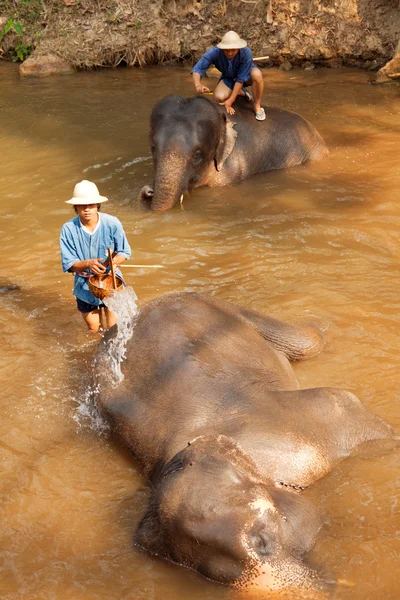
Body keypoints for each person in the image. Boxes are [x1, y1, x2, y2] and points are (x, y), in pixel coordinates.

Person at [60, 180, 131, 333]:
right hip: (84, 285)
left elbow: (124, 251)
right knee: (94, 329)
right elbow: (69, 263)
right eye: (82, 205)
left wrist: (113, 263)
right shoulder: (68, 229)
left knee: (114, 329)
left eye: (91, 204)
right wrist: (89, 263)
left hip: (110, 281)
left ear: (97, 204)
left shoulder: (112, 223)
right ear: (75, 207)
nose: (87, 209)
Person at [191, 30, 265, 121]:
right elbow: (197, 69)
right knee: (219, 97)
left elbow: (240, 79)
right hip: (228, 77)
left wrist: (230, 101)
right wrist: (198, 84)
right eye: (226, 50)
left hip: (246, 77)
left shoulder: (246, 52)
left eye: (233, 50)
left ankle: (257, 105)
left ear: (238, 48)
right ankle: (240, 91)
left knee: (257, 75)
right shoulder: (215, 51)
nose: (229, 53)